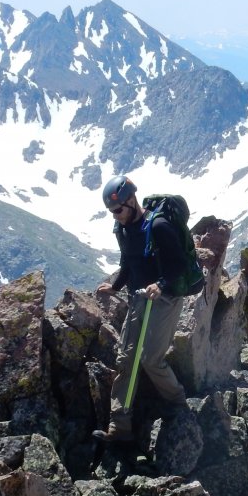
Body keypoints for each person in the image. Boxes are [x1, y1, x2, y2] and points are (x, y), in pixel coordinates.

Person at [93, 174, 188, 443]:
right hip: (139, 298)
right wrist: (115, 286)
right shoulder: (122, 229)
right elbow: (129, 262)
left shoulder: (158, 226)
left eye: (118, 210)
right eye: (112, 212)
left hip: (165, 298)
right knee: (126, 359)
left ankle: (178, 403)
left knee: (149, 359)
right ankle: (119, 426)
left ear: (131, 201)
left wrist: (160, 284)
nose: (116, 216)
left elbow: (179, 264)